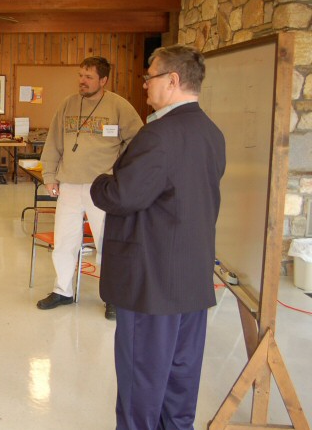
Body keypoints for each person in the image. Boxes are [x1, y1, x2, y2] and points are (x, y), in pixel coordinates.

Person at [90, 45, 225, 430]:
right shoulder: (211, 133)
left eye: (149, 76)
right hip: (192, 279)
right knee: (181, 384)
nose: (145, 84)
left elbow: (121, 196)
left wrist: (100, 182)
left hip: (150, 283)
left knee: (141, 386)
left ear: (173, 81)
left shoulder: (158, 136)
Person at [35, 56, 143, 319]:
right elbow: (54, 143)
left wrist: (121, 172)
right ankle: (63, 290)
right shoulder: (67, 105)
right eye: (80, 75)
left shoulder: (119, 106)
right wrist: (49, 175)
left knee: (107, 242)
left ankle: (113, 297)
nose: (82, 81)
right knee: (64, 241)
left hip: (103, 187)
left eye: (89, 77)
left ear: (103, 80)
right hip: (69, 185)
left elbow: (138, 141)